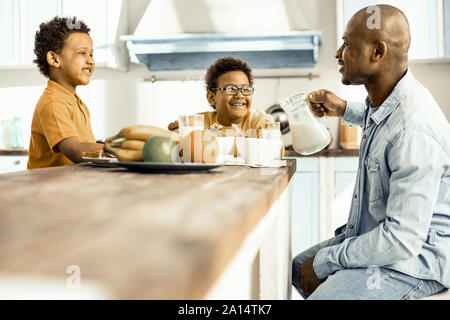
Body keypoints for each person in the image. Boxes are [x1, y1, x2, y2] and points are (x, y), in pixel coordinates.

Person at [292, 4, 450, 299]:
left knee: (320, 285)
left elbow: (401, 242)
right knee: (299, 267)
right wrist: (343, 109)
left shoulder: (413, 131)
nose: (338, 54)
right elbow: (382, 124)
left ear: (377, 52)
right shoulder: (391, 98)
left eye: (347, 45)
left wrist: (328, 260)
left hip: (415, 261)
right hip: (386, 238)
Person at [27, 16, 104, 169]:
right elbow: (74, 150)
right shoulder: (53, 103)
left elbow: (86, 147)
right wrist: (118, 151)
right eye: (82, 53)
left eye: (91, 54)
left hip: (69, 186)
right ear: (54, 59)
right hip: (48, 189)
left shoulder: (75, 101)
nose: (90, 60)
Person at [167, 56, 275, 136]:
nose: (240, 95)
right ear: (212, 98)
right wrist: (179, 133)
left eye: (245, 89)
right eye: (231, 89)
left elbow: (274, 150)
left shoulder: (259, 121)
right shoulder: (197, 123)